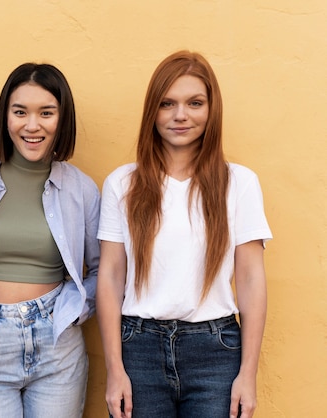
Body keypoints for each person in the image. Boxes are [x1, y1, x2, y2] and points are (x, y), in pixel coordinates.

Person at [96, 51, 272, 418]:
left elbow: (252, 278)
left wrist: (248, 375)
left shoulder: (239, 183)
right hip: (138, 349)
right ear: (152, 112)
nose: (181, 115)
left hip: (215, 350)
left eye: (195, 103)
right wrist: (115, 370)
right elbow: (111, 276)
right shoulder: (122, 183)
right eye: (168, 103)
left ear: (212, 110)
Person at [0, 63, 100, 417]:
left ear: (63, 118)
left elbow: (103, 269)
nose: (32, 125)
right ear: (5, 117)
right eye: (20, 112)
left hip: (57, 344)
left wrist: (75, 311)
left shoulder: (81, 188)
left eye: (46, 113)